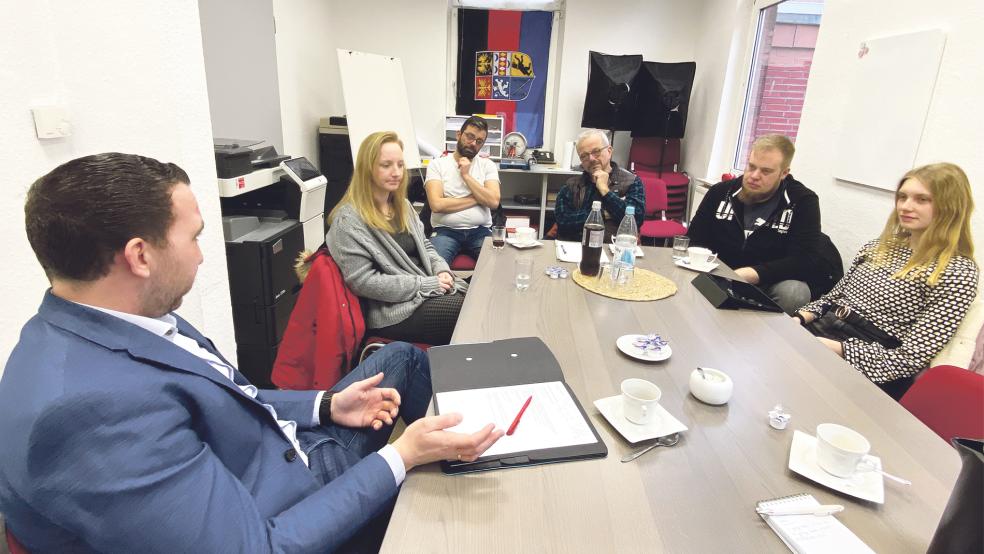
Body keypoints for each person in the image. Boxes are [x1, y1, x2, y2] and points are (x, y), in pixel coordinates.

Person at [0, 152, 502, 553]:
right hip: (291, 503)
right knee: (439, 520)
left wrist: (324, 404)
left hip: (283, 447)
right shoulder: (85, 416)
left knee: (403, 362)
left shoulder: (128, 316)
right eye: (194, 238)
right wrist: (401, 456)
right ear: (140, 256)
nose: (201, 254)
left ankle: (462, 454)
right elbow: (259, 545)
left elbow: (231, 393)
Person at [797, 162, 979, 400]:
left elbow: (910, 358)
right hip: (823, 328)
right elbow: (834, 297)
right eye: (902, 197)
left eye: (922, 199)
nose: (905, 206)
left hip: (873, 360)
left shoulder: (957, 271)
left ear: (950, 207)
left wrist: (834, 348)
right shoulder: (880, 247)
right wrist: (799, 319)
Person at [329, 131, 468, 346]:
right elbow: (363, 282)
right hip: (391, 311)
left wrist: (441, 270)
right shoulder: (348, 221)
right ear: (368, 169)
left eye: (400, 165)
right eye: (386, 165)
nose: (396, 173)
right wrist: (425, 284)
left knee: (476, 300)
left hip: (423, 290)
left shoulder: (402, 205)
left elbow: (426, 246)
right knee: (464, 314)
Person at [687, 134, 842, 312]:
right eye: (751, 167)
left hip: (768, 281)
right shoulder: (720, 192)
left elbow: (805, 260)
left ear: (784, 173)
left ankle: (767, 337)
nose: (754, 176)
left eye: (766, 171)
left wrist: (752, 274)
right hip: (718, 272)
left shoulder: (803, 201)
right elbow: (694, 239)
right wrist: (717, 271)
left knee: (795, 292)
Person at [424, 115, 501, 263]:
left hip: (481, 231)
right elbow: (437, 205)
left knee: (497, 267)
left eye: (479, 141)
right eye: (470, 137)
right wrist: (477, 198)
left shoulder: (487, 165)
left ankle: (471, 286)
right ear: (459, 135)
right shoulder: (437, 165)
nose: (473, 143)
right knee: (434, 269)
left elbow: (493, 201)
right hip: (445, 231)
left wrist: (466, 176)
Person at [554, 129, 645, 243]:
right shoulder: (571, 185)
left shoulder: (631, 181)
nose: (591, 159)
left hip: (615, 249)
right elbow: (563, 223)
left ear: (609, 150)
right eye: (584, 156)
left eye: (596, 151)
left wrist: (605, 191)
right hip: (575, 248)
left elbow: (636, 220)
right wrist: (602, 214)